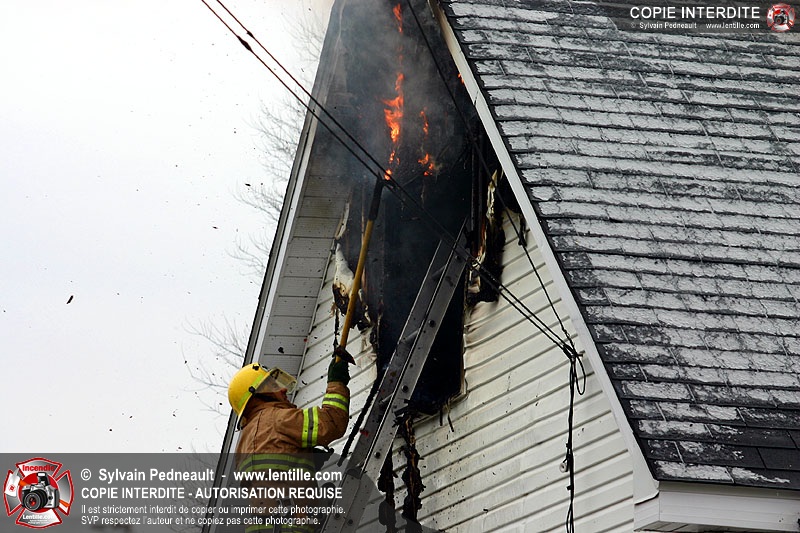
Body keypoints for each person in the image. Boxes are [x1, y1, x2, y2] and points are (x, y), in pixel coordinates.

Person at [227, 358, 351, 533]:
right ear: (256, 395)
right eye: (273, 386)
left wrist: (303, 457)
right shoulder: (278, 419)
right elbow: (332, 422)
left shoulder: (243, 443)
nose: (283, 389)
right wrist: (336, 382)